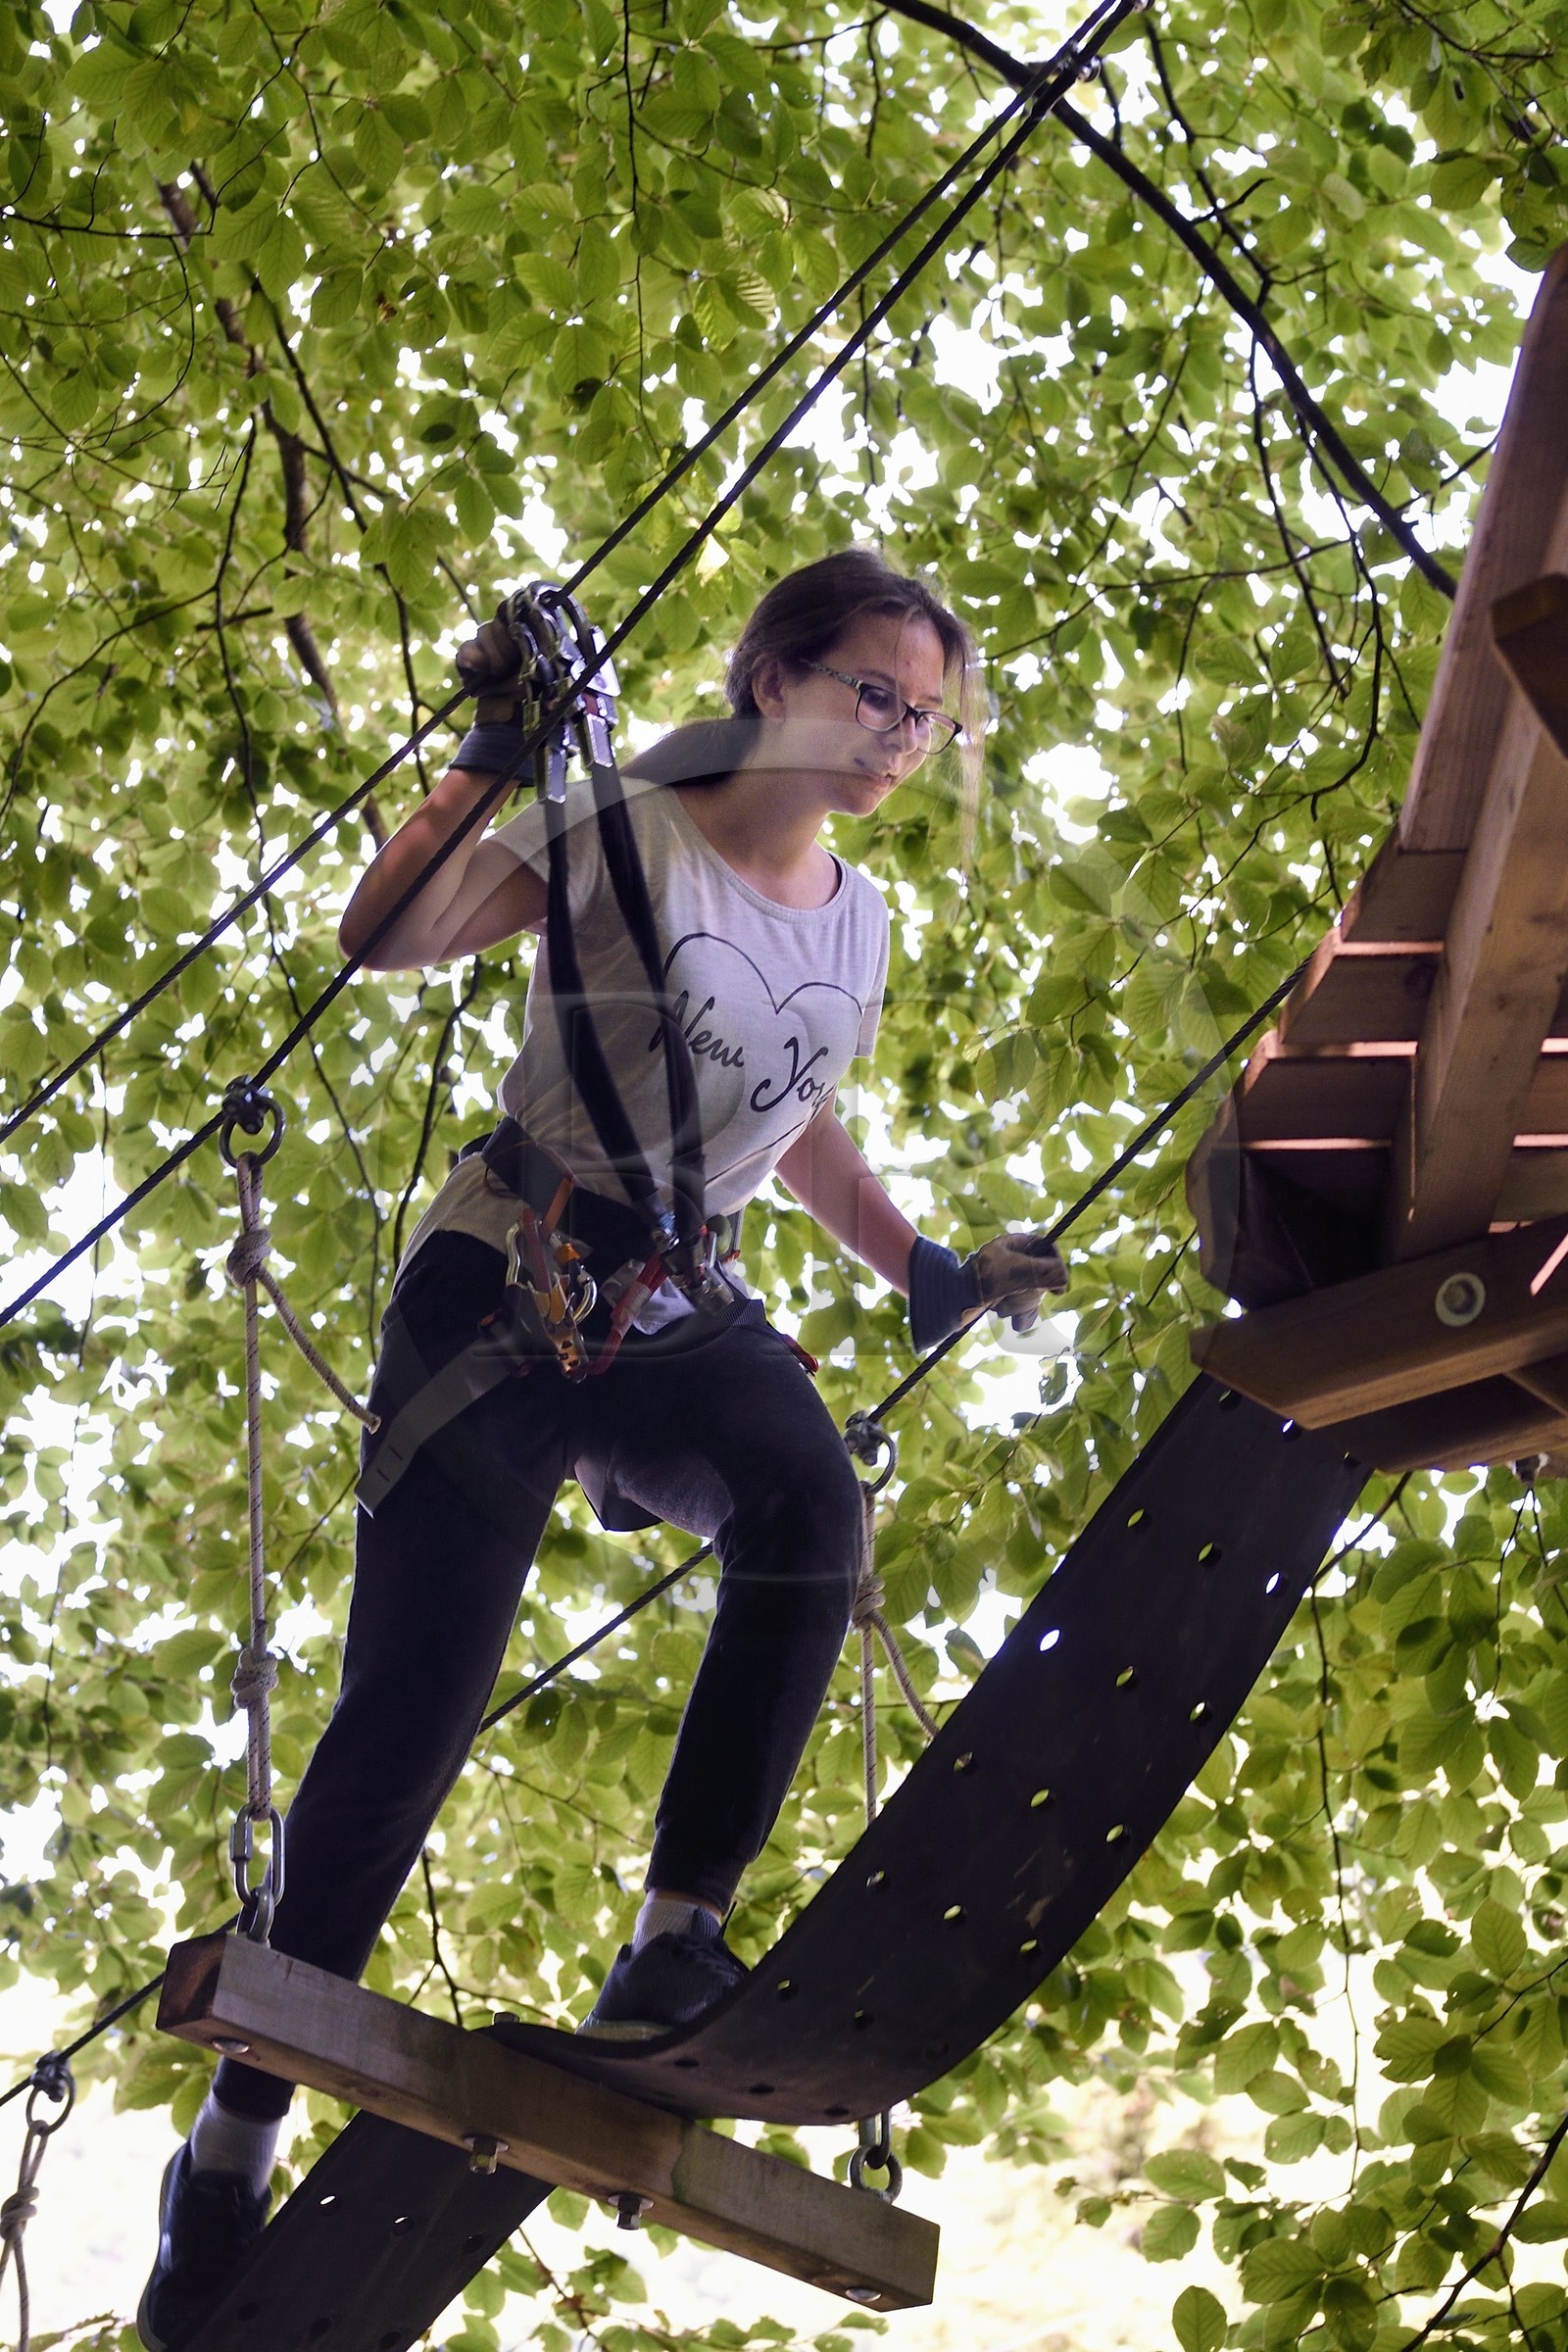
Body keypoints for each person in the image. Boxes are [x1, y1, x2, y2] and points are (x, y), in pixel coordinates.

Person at [137, 546, 1067, 2349]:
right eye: (873, 692)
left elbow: (795, 1131)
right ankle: (234, 2143)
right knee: (413, 1708)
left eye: (925, 717)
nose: (896, 738)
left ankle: (674, 1934)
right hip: (501, 1283)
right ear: (775, 674)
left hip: (669, 1310)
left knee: (810, 1500)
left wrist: (923, 1264)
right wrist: (493, 750)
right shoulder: (627, 823)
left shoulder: (859, 923)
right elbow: (388, 936)